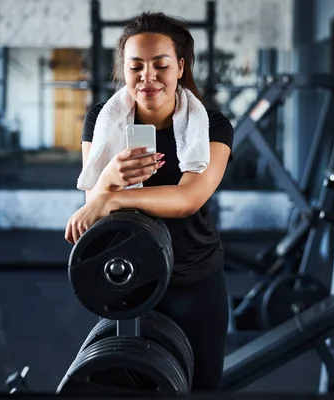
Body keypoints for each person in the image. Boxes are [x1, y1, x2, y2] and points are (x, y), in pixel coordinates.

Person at [64, 11, 233, 392]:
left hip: (194, 277)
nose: (148, 76)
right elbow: (95, 195)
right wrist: (108, 181)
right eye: (136, 65)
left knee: (203, 386)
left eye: (161, 64)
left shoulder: (212, 125)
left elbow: (189, 197)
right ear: (124, 69)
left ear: (180, 67)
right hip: (126, 272)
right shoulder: (102, 121)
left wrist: (107, 200)